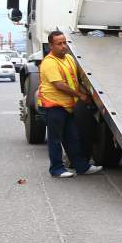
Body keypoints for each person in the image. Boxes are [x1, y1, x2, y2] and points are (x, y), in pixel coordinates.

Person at [38, 31, 102, 178]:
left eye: (64, 42)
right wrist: (80, 96)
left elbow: (75, 81)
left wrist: (88, 95)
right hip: (53, 106)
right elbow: (59, 85)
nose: (63, 46)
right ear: (51, 46)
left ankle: (81, 167)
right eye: (59, 44)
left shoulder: (69, 59)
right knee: (55, 139)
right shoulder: (49, 62)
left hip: (67, 106)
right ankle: (56, 169)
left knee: (72, 137)